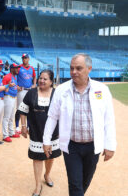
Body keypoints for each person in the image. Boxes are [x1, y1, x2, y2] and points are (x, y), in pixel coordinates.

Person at [43, 53, 116, 196]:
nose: (74, 72)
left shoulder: (102, 90)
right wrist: (46, 140)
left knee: (84, 181)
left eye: (78, 68)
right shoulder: (62, 90)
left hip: (93, 145)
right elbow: (52, 117)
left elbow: (109, 119)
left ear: (89, 69)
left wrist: (110, 145)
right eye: (71, 68)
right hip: (72, 146)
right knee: (75, 184)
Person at [19, 70, 61, 196]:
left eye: (45, 79)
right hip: (36, 131)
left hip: (53, 132)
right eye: (40, 78)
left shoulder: (56, 94)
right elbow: (23, 109)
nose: (42, 81)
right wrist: (23, 126)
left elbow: (63, 113)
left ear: (51, 82)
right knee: (37, 157)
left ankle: (47, 175)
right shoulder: (31, 93)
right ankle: (38, 185)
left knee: (50, 155)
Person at [15, 54, 36, 133]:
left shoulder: (32, 68)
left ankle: (28, 127)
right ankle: (17, 127)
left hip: (29, 90)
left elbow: (34, 76)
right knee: (19, 108)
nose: (24, 59)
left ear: (28, 59)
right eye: (23, 58)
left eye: (26, 58)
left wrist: (34, 84)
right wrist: (16, 85)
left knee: (29, 109)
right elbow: (13, 76)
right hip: (21, 90)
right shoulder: (19, 67)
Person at [2, 63, 21, 142]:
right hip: (8, 97)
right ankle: (5, 135)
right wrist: (7, 87)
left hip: (13, 98)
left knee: (11, 117)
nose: (17, 69)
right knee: (6, 117)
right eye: (16, 68)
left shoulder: (14, 77)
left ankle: (11, 132)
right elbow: (2, 87)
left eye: (18, 68)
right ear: (12, 69)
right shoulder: (7, 76)